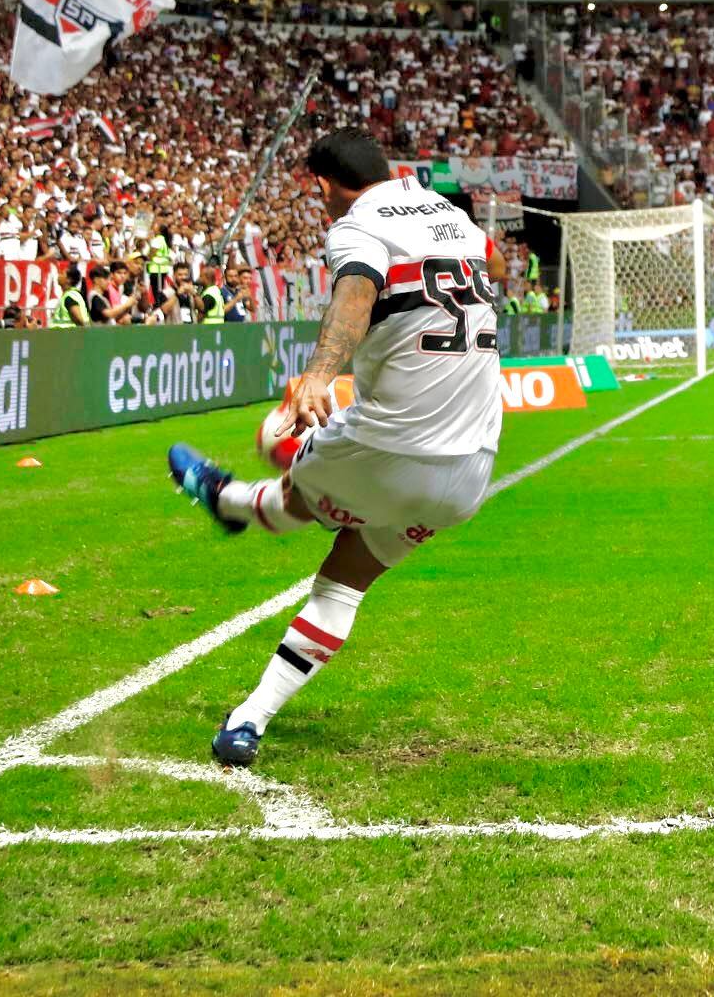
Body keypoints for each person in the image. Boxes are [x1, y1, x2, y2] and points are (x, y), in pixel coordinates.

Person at [168, 128, 504, 768]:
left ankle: (227, 500)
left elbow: (355, 293)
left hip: (388, 447)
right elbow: (497, 265)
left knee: (293, 486)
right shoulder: (451, 216)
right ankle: (246, 720)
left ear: (323, 184)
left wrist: (320, 375)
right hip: (469, 472)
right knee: (344, 580)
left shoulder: (358, 225)